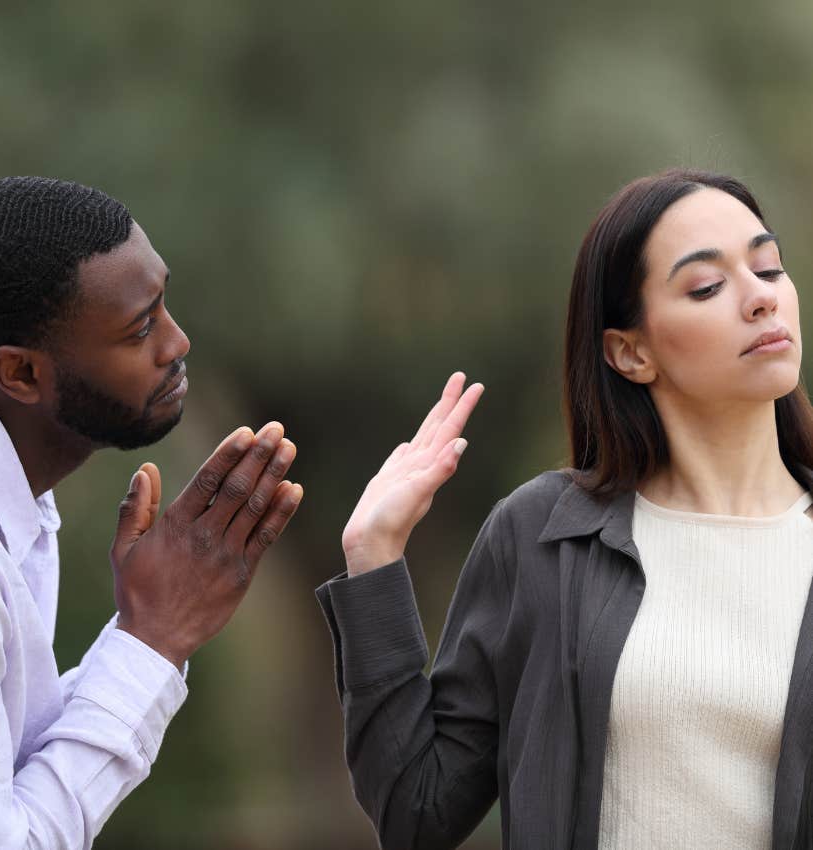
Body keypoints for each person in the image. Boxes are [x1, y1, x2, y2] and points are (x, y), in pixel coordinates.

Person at [317, 168, 813, 850]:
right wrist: (374, 558)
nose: (761, 298)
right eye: (706, 286)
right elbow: (416, 813)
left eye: (769, 267)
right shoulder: (544, 536)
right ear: (630, 352)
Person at [0, 176, 303, 849]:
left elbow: (1, 762)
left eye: (163, 305)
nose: (177, 343)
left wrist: (143, 631)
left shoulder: (8, 501)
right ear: (21, 374)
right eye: (140, 327)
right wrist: (153, 640)